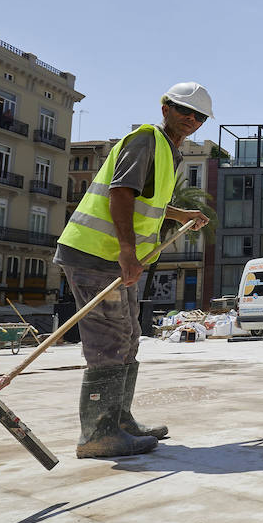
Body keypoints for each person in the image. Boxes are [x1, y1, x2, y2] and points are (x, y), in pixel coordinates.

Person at [55, 83, 213, 458]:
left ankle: (120, 421)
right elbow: (121, 192)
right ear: (165, 108)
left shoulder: (168, 152)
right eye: (184, 111)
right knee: (109, 341)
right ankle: (98, 433)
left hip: (119, 259)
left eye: (199, 116)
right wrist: (127, 250)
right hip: (97, 255)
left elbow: (147, 202)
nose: (191, 120)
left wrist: (181, 213)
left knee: (128, 337)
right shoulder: (146, 140)